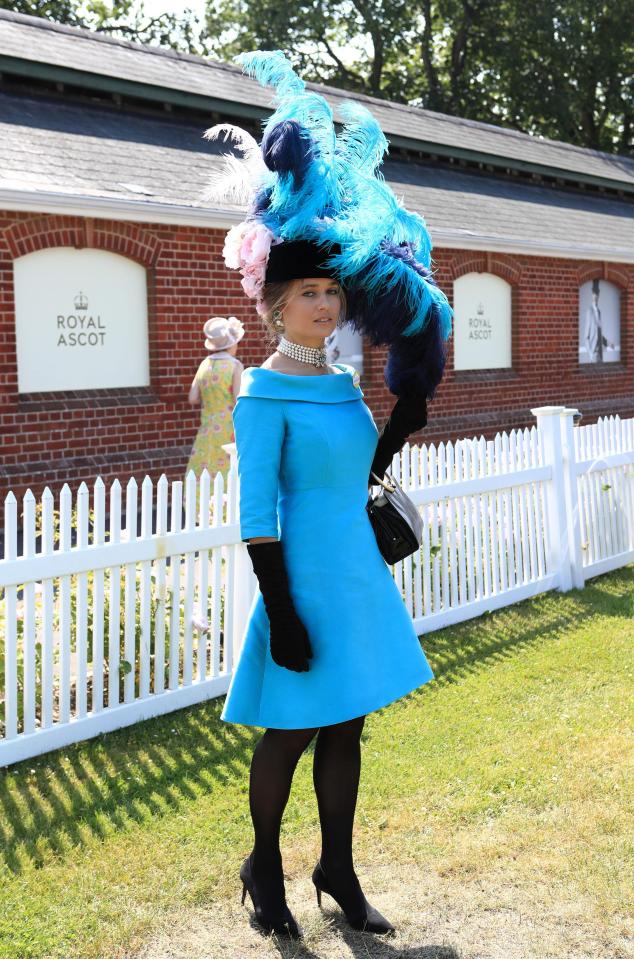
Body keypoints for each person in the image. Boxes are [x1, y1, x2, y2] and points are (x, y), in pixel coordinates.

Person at [204, 51, 453, 940]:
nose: (322, 302)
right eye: (306, 292)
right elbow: (258, 512)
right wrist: (283, 608)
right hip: (298, 582)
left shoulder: (342, 383)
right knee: (291, 732)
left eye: (330, 290)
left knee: (347, 725)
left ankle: (338, 868)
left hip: (353, 570)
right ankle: (264, 862)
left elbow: (356, 470)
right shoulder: (262, 393)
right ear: (273, 304)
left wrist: (404, 415)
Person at [186, 316, 245, 488]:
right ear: (231, 344)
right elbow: (237, 400)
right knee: (227, 466)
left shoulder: (204, 364)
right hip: (228, 427)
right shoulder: (234, 365)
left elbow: (193, 398)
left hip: (207, 427)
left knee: (205, 463)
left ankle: (200, 507)